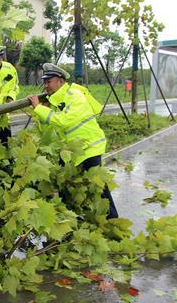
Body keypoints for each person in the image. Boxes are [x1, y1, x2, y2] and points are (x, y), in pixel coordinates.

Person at [28, 63, 119, 219]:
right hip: (72, 152)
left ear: (61, 81)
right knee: (65, 186)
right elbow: (49, 133)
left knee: (99, 187)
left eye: (49, 81)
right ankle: (69, 220)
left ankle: (113, 220)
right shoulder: (55, 102)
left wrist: (39, 108)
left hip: (89, 148)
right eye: (45, 82)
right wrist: (42, 113)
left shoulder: (74, 95)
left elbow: (64, 121)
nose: (46, 86)